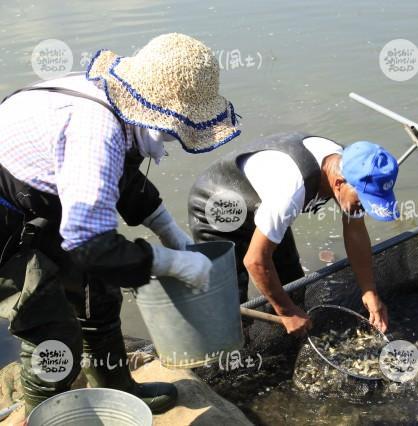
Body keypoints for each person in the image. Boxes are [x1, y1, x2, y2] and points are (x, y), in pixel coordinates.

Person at [0, 33, 240, 414]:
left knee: (98, 295)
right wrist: (172, 263)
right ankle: (51, 415)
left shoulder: (110, 97)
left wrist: (168, 229)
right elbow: (89, 245)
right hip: (7, 224)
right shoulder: (95, 130)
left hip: (44, 199)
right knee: (53, 330)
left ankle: (118, 389)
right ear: (157, 115)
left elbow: (115, 175)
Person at [189, 133, 398, 336]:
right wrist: (286, 312)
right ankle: (237, 350)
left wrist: (369, 290)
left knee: (291, 282)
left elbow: (355, 230)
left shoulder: (351, 166)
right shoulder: (291, 190)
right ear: (338, 183)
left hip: (263, 201)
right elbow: (255, 261)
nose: (363, 207)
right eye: (362, 202)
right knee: (230, 301)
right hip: (217, 202)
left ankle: (283, 336)